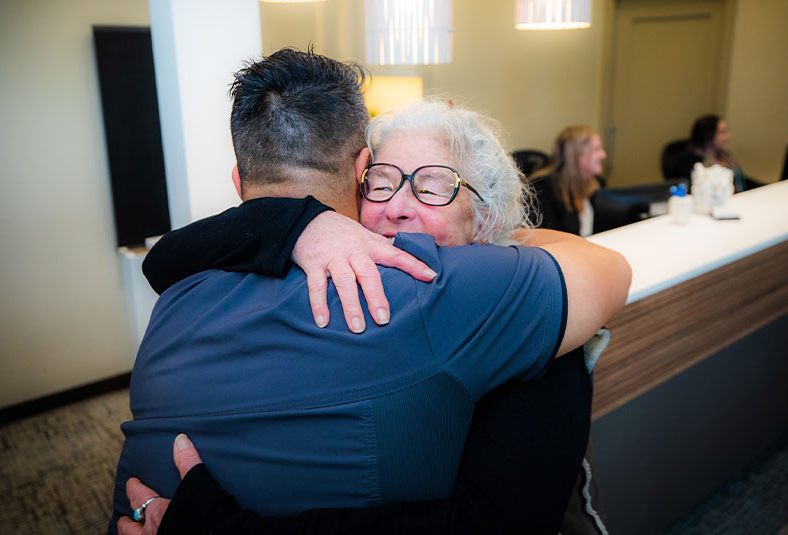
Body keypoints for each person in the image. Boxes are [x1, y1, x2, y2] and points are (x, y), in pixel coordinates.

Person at [109, 49, 630, 534]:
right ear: (361, 179)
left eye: (433, 185)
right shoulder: (211, 274)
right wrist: (301, 225)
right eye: (383, 181)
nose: (399, 204)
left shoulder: (175, 298)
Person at [529, 126, 607, 236]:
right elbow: (546, 240)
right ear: (576, 155)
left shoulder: (597, 183)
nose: (604, 155)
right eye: (597, 149)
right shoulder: (542, 189)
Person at [669, 114, 755, 191]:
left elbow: (741, 180)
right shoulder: (688, 162)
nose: (728, 136)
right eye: (722, 132)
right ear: (707, 135)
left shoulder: (724, 155)